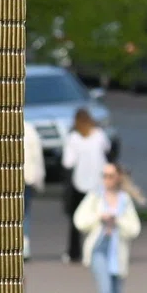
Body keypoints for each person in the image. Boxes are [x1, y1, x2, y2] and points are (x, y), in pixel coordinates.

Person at [73, 162, 141, 293]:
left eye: (110, 176)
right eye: (104, 175)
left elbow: (134, 229)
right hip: (99, 249)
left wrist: (117, 220)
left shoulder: (124, 200)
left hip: (117, 250)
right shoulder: (95, 197)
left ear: (118, 177)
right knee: (106, 291)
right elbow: (79, 220)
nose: (106, 180)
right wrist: (99, 217)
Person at [61, 107, 111, 264]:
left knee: (77, 220)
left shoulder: (74, 138)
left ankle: (74, 252)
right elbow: (108, 149)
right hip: (99, 184)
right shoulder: (99, 135)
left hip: (79, 183)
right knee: (100, 218)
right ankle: (100, 249)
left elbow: (67, 162)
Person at [24, 119, 46, 260]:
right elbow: (37, 157)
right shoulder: (30, 130)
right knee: (25, 213)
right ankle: (24, 246)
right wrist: (39, 178)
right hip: (26, 177)